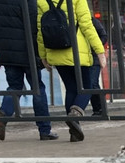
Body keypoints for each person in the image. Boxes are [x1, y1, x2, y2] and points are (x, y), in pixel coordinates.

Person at [0, 0, 58, 141]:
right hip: (28, 52)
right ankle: (44, 129)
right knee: (38, 88)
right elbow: (34, 26)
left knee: (14, 87)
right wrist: (39, 53)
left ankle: (4, 114)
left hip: (7, 51)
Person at [37, 0, 106, 141]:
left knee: (71, 89)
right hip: (77, 52)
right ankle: (74, 115)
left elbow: (40, 30)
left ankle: (74, 131)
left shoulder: (41, 1)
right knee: (87, 87)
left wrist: (43, 55)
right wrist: (100, 51)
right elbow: (87, 25)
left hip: (56, 52)